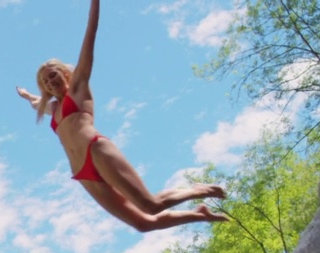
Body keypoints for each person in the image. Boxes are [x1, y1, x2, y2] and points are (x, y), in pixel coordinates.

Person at [15, 0, 227, 233]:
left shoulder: (78, 88)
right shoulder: (53, 108)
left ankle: (198, 190)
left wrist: (95, 5)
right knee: (143, 223)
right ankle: (199, 214)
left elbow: (90, 34)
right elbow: (38, 103)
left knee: (151, 205)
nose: (50, 81)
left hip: (96, 151)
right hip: (81, 172)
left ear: (64, 72)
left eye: (52, 74)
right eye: (45, 81)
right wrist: (26, 95)